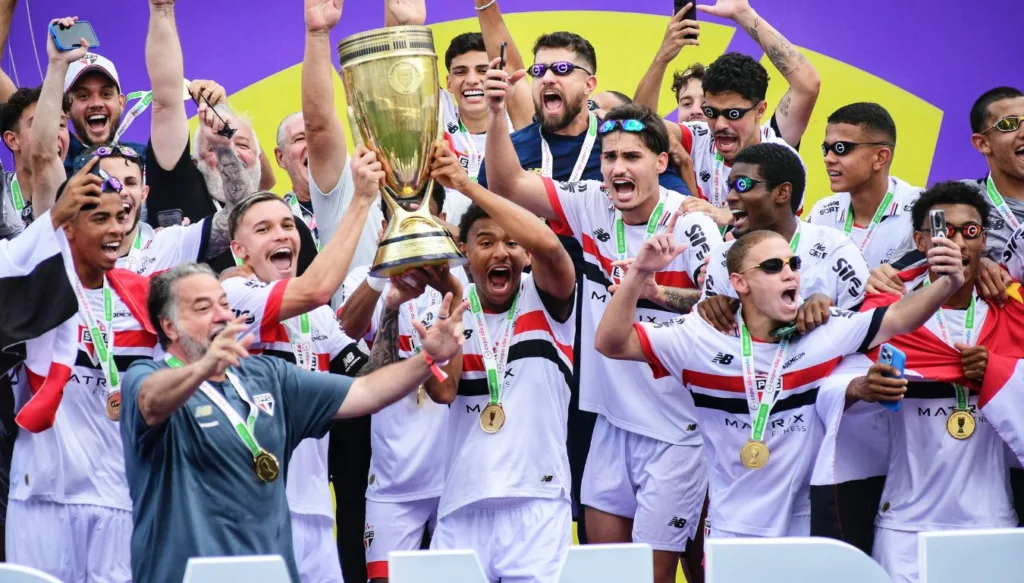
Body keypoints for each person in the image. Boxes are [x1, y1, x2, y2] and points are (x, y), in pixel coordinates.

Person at [486, 66, 721, 581]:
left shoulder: (692, 222)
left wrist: (659, 292)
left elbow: (722, 304)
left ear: (661, 162)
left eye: (632, 157)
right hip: (612, 423)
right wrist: (500, 111)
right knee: (608, 573)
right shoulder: (592, 204)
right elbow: (506, 183)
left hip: (676, 430)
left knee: (653, 576)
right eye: (610, 156)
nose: (618, 167)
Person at [594, 224, 966, 544]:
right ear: (739, 283)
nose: (790, 274)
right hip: (731, 528)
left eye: (794, 264)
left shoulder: (822, 331)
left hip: (803, 523)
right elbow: (611, 342)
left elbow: (900, 317)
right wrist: (640, 272)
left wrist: (949, 282)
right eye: (773, 267)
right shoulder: (699, 337)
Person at [120, 261, 466, 583]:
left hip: (268, 573)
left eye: (224, 304)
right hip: (181, 574)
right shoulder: (147, 375)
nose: (220, 315)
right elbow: (151, 402)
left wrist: (427, 359)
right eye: (202, 308)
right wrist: (202, 369)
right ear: (169, 326)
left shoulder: (267, 376)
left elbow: (365, 392)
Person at [821, 182, 1022, 581]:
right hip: (905, 524)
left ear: (984, 240)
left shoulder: (1013, 311)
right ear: (920, 239)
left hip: (992, 519)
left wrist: (999, 372)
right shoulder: (887, 314)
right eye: (942, 230)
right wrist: (859, 388)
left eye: (970, 231)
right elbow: (831, 379)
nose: (957, 242)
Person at [220, 182, 411, 582]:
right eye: (264, 229)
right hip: (255, 509)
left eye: (287, 225)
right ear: (240, 251)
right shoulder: (233, 295)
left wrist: (391, 311)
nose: (281, 234)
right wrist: (361, 200)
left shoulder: (318, 318)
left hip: (317, 512)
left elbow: (370, 383)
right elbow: (318, 287)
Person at [422, 137, 577, 583]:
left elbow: (550, 247)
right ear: (466, 254)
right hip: (462, 502)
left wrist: (468, 186)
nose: (501, 252)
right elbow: (443, 392)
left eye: (512, 242)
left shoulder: (547, 299)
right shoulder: (454, 308)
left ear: (524, 254)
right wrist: (441, 348)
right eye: (485, 242)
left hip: (538, 501)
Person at [6, 162, 158, 582]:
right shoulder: (37, 291)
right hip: (42, 493)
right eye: (99, 218)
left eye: (120, 218)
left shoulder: (142, 301)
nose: (116, 230)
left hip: (118, 496)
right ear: (68, 228)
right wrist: (52, 216)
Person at [139, 0, 294, 274]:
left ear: (261, 158)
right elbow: (166, 101)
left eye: (242, 144)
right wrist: (162, 9)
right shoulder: (182, 183)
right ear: (196, 161)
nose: (230, 152)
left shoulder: (288, 227)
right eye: (216, 146)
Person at [476, 31, 692, 195]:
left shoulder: (624, 144)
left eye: (562, 69)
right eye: (539, 71)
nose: (548, 78)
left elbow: (679, 206)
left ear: (589, 84)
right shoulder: (508, 151)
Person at [667, 0, 821, 226]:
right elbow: (640, 125)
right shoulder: (697, 137)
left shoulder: (779, 151)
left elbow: (807, 84)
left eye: (733, 114)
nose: (719, 124)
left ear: (760, 110)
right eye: (711, 112)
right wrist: (663, 56)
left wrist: (743, 14)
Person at [385, 0, 534, 225]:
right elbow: (399, 73)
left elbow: (512, 68)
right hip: (448, 251)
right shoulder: (437, 113)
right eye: (461, 71)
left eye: (483, 70)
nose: (472, 80)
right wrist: (409, 26)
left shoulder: (517, 119)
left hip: (508, 245)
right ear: (449, 82)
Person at [699, 143, 871, 333]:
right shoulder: (724, 255)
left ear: (782, 193)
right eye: (730, 186)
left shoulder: (835, 249)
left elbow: (868, 327)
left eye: (742, 185)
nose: (730, 197)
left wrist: (832, 314)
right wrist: (711, 308)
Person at [302, 0, 385, 300]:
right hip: (354, 345)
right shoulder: (346, 185)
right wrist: (318, 34)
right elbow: (318, 126)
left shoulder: (442, 177)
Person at [808, 103, 922, 268]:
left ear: (880, 158)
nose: (828, 158)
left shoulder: (920, 211)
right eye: (826, 149)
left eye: (841, 148)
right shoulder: (822, 212)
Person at [62, 51, 147, 178]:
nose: (96, 103)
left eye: (106, 94)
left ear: (121, 103)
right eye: (83, 96)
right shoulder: (57, 164)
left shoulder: (144, 158)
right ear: (66, 108)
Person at [1, 86, 70, 238]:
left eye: (61, 125)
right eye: (41, 124)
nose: (52, 133)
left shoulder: (86, 201)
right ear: (13, 140)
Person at [632, 3, 704, 121]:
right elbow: (640, 125)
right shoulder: (671, 137)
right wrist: (662, 58)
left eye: (705, 105)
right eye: (686, 104)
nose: (696, 111)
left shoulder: (738, 139)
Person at [275, 112, 320, 245]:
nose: (313, 144)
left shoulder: (368, 196)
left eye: (318, 136)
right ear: (281, 157)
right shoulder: (278, 220)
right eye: (300, 138)